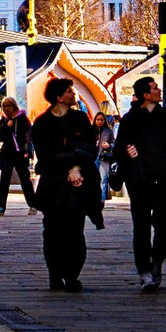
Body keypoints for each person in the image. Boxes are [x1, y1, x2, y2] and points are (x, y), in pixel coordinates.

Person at [117, 75, 166, 291]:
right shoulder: (130, 119)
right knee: (141, 227)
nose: (159, 90)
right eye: (154, 88)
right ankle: (145, 271)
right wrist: (127, 151)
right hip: (139, 180)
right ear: (145, 94)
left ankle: (157, 259)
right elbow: (120, 147)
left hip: (164, 179)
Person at [30, 80, 103, 293]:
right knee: (52, 231)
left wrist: (77, 167)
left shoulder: (80, 119)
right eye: (69, 91)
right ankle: (54, 272)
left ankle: (71, 275)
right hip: (53, 185)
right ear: (59, 97)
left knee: (75, 231)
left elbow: (89, 147)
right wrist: (69, 168)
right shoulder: (42, 123)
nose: (74, 93)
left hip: (78, 185)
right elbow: (45, 155)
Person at [0, 95, 33, 215]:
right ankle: (0, 206)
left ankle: (33, 204)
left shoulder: (23, 119)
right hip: (7, 153)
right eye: (4, 106)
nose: (7, 109)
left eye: (9, 106)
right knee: (4, 180)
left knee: (25, 179)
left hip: (20, 154)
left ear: (14, 106)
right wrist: (7, 127)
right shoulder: (3, 121)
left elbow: (28, 137)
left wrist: (27, 151)